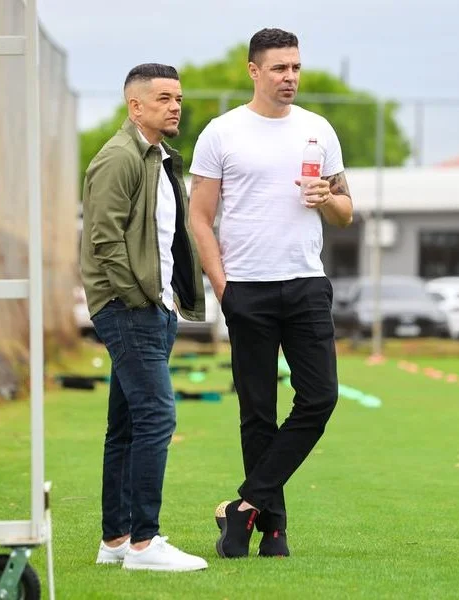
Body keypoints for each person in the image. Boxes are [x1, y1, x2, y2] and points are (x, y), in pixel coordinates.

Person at [188, 28, 354, 559]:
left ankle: (243, 506)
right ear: (254, 71)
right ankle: (273, 531)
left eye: (296, 67)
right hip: (247, 289)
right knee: (257, 412)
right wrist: (223, 287)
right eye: (280, 68)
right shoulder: (222, 133)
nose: (290, 77)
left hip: (306, 284)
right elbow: (199, 217)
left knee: (320, 398)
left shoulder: (318, 130)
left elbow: (346, 212)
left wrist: (328, 198)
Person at [80, 63, 207, 572]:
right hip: (130, 309)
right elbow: (104, 238)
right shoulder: (119, 157)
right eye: (163, 99)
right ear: (135, 106)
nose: (175, 107)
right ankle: (144, 544)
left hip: (152, 307)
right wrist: (140, 299)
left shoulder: (158, 157)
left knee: (128, 425)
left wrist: (166, 300)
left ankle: (116, 539)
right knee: (158, 417)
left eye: (178, 98)